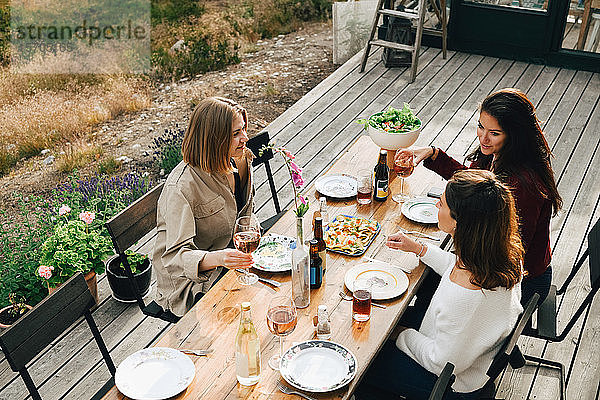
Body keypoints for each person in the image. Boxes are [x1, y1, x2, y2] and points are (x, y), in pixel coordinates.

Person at [355, 170, 524, 400]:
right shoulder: (500, 256)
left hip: (451, 384)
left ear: (459, 221)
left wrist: (402, 334)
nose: (436, 205)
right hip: (470, 355)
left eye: (442, 204)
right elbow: (454, 268)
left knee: (362, 364)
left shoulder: (465, 294)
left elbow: (438, 361)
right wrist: (420, 248)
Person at [396, 88, 562, 306]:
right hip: (490, 263)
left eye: (494, 133)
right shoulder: (498, 154)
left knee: (426, 284)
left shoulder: (522, 186)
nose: (483, 138)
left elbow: (511, 253)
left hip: (520, 283)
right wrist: (433, 154)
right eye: (481, 127)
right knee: (426, 281)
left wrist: (458, 225)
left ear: (515, 135)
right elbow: (473, 186)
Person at [152, 97, 255, 318]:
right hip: (190, 283)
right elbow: (174, 259)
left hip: (231, 258)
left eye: (244, 130)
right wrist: (220, 258)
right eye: (236, 134)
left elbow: (244, 214)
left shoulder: (239, 159)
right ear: (214, 140)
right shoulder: (180, 188)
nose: (245, 138)